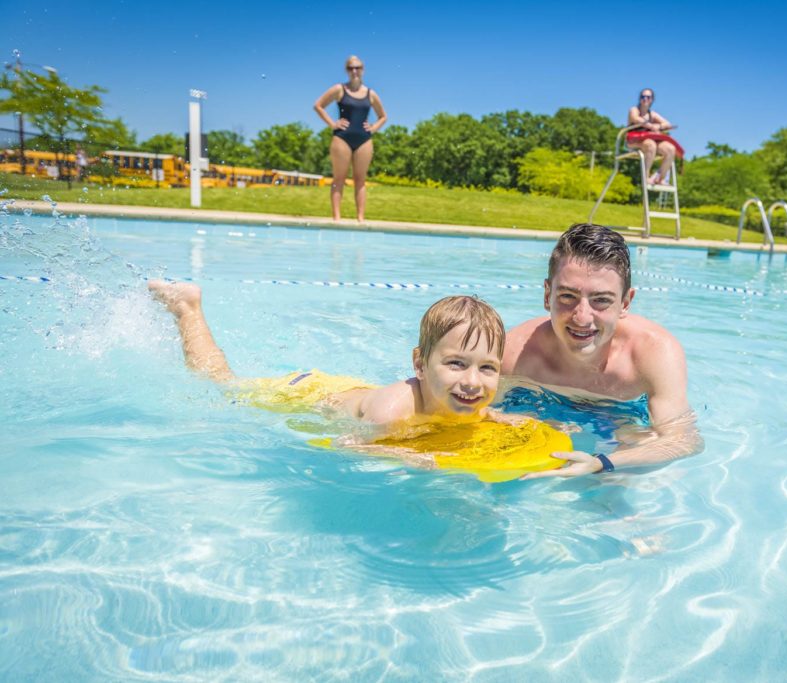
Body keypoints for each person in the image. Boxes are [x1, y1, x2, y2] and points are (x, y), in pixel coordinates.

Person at [501, 223, 703, 478]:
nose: (582, 317)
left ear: (625, 303)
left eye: (601, 300)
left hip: (625, 415)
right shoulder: (513, 353)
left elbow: (683, 440)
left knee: (636, 446)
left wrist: (603, 463)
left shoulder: (653, 353)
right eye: (567, 296)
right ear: (546, 295)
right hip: (542, 408)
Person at [149, 282, 503, 427]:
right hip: (304, 394)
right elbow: (356, 446)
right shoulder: (393, 411)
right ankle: (186, 308)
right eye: (456, 363)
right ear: (419, 365)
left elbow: (499, 420)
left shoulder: (471, 402)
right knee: (221, 385)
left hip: (348, 388)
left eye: (487, 368)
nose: (473, 381)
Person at [313, 55, 388, 223]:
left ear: (363, 69)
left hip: (364, 139)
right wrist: (332, 124)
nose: (354, 71)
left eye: (358, 67)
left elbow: (383, 116)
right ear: (347, 70)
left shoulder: (371, 94)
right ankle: (337, 218)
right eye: (351, 68)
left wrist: (374, 128)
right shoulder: (339, 89)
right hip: (342, 138)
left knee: (360, 180)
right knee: (339, 178)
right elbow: (318, 105)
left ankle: (361, 218)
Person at [626, 88, 684, 186]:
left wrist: (659, 126)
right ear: (640, 98)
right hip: (635, 141)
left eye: (648, 97)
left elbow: (668, 124)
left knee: (670, 149)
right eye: (642, 97)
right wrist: (651, 126)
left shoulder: (652, 114)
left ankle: (659, 178)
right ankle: (646, 177)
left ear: (652, 99)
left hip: (649, 140)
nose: (645, 99)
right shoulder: (634, 110)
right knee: (651, 144)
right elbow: (636, 119)